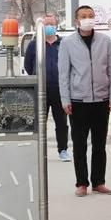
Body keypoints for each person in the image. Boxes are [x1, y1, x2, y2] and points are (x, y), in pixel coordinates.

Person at [58, 5, 111, 197]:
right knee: (79, 144)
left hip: (101, 100)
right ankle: (82, 183)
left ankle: (99, 182)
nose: (88, 19)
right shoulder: (67, 43)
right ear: (77, 21)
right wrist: (65, 99)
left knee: (99, 144)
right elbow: (63, 74)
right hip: (78, 101)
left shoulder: (105, 41)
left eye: (91, 15)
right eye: (83, 16)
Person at [24, 16, 71, 162]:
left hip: (59, 89)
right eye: (46, 24)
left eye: (52, 24)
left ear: (56, 25)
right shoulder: (34, 45)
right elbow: (28, 65)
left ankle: (63, 150)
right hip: (40, 90)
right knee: (39, 122)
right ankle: (38, 151)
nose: (49, 27)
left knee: (61, 122)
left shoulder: (63, 44)